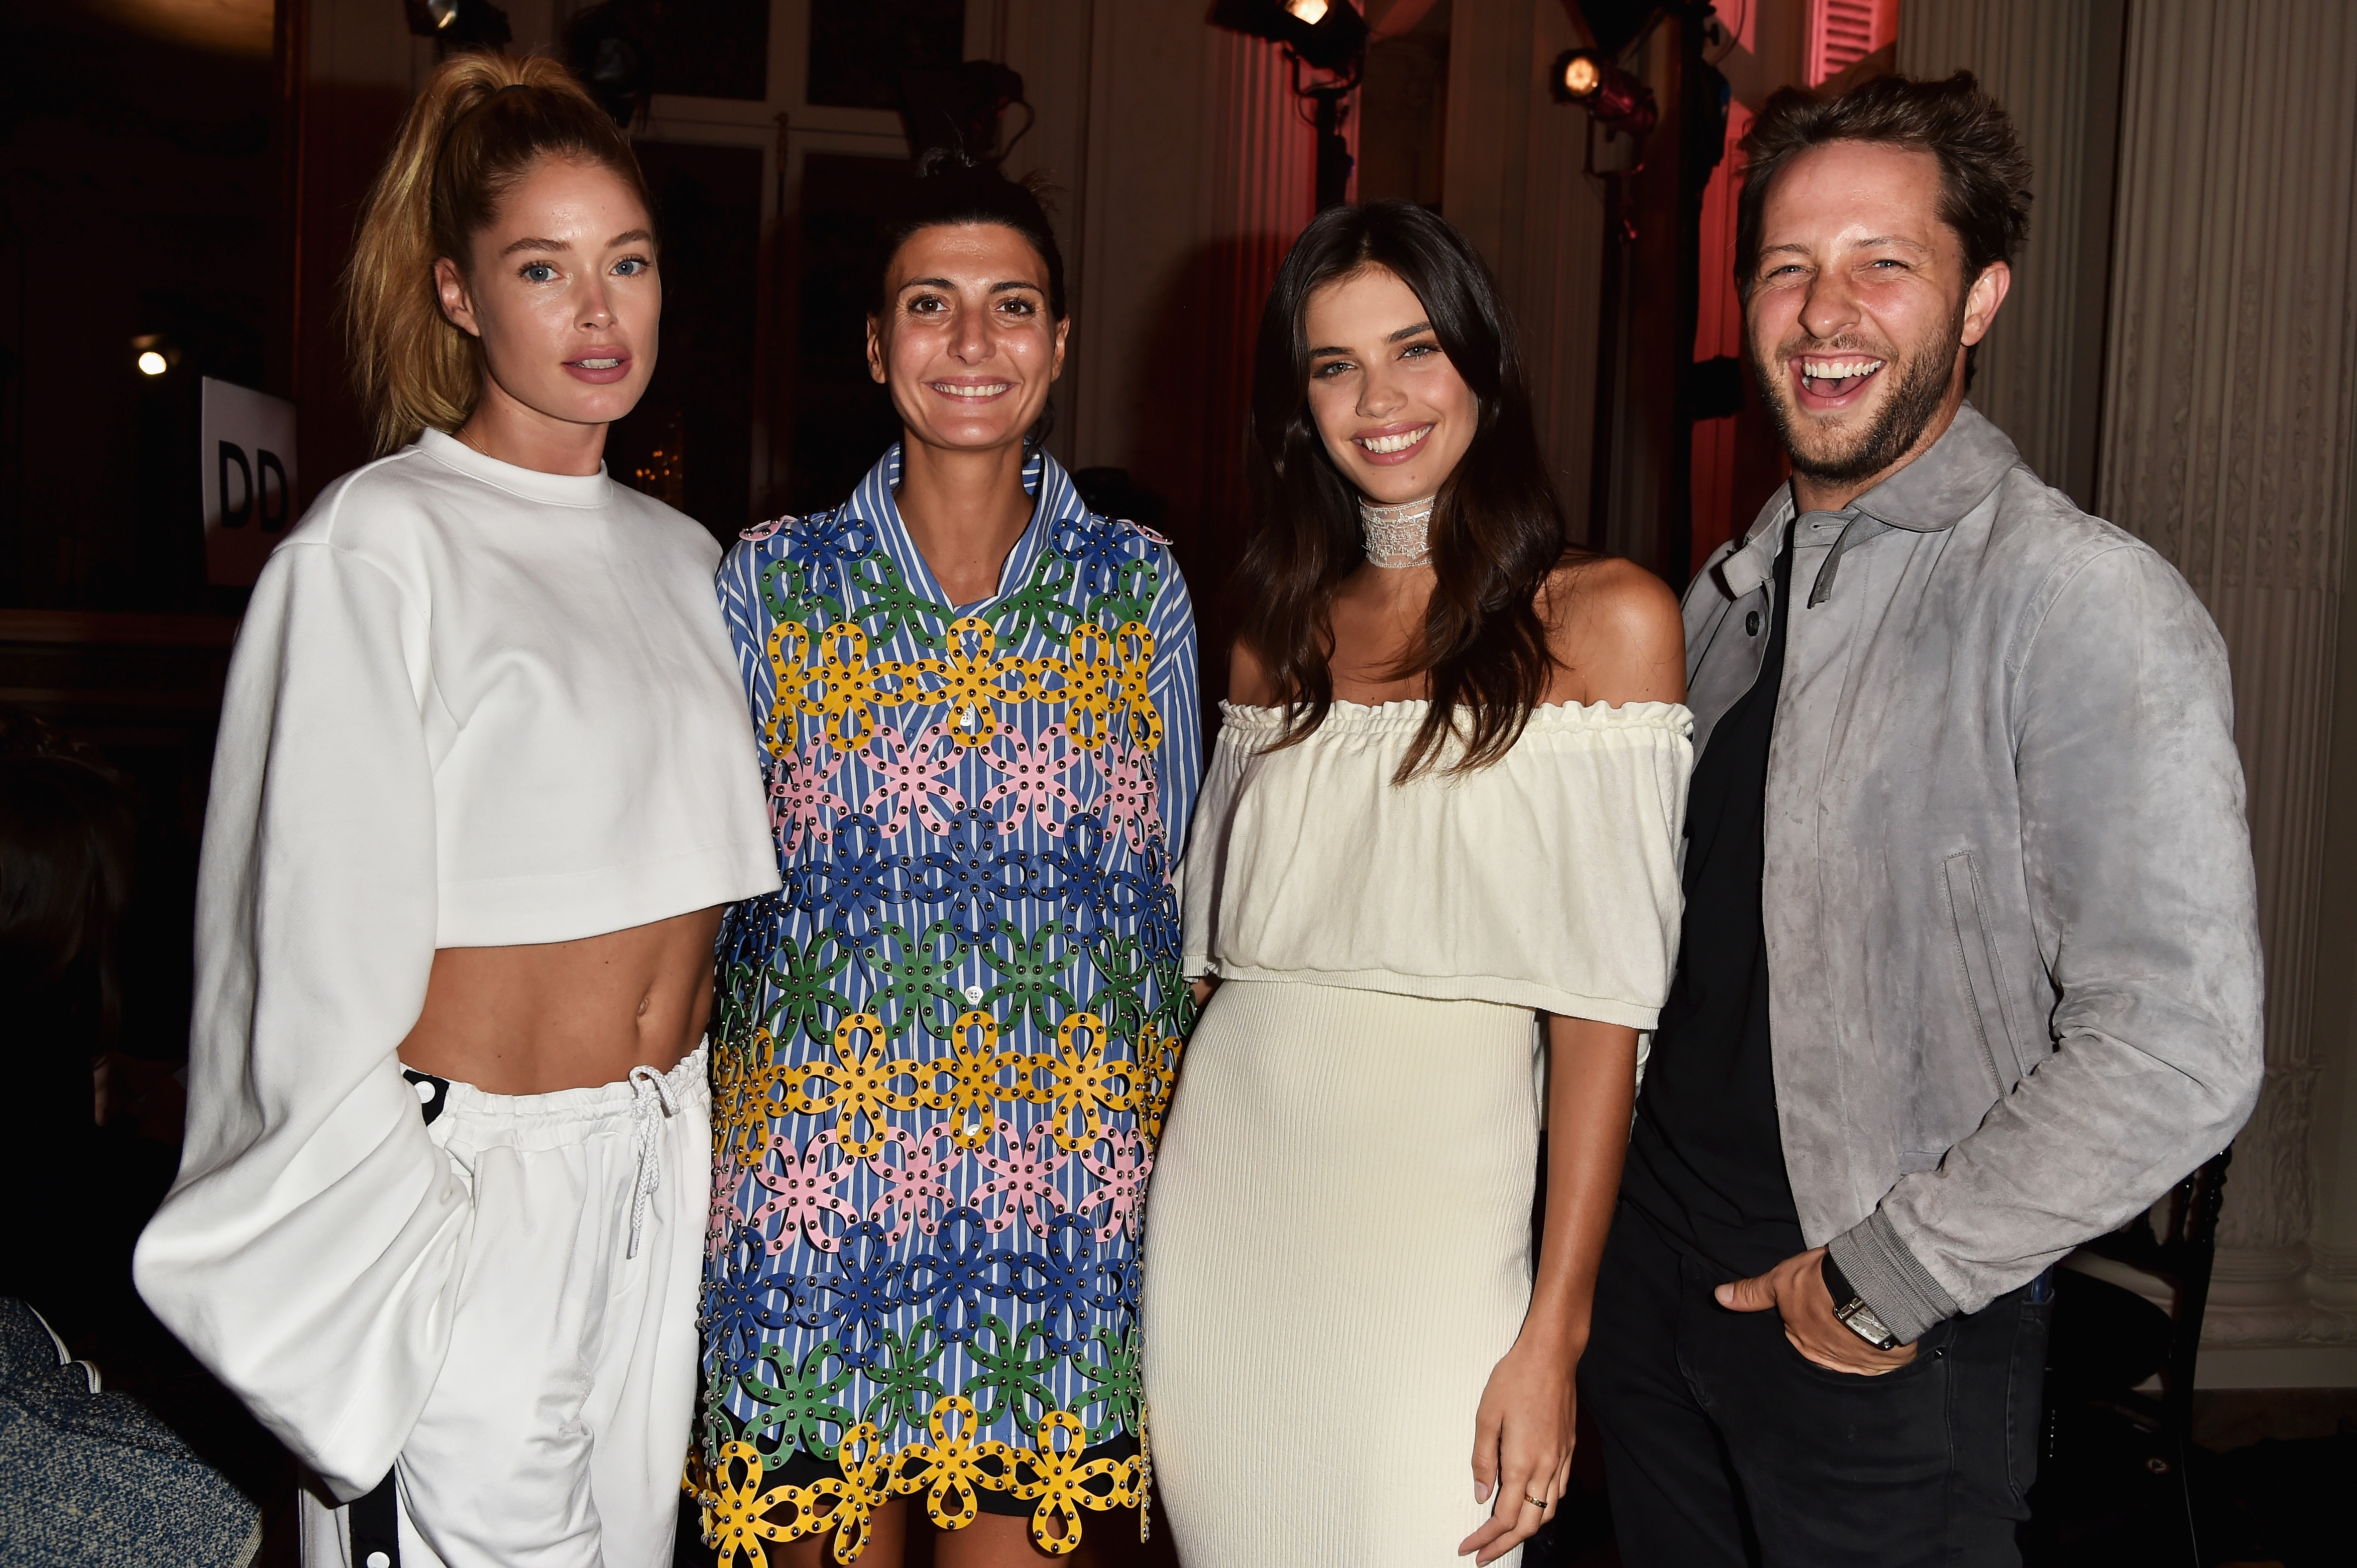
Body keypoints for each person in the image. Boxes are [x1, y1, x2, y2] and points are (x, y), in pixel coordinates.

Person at [1578, 72, 2265, 1566]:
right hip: (1652, 1305)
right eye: (1787, 266)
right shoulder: (1719, 599)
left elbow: (2180, 1044)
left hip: (1876, 1340)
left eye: (1883, 262)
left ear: (1979, 299)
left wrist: (1888, 1279)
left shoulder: (2077, 599)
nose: (1825, 311)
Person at [132, 53, 780, 1568]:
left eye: (628, 263)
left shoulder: (695, 560)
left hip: (660, 1169)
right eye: (543, 269)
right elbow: (296, 955)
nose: (599, 311)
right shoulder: (375, 547)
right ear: (459, 294)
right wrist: (401, 1250)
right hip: (470, 1197)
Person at [1142, 200, 1690, 1567]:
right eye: (1335, 365)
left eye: (1415, 349)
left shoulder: (1607, 621)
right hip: (1230, 1209)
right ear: (1301, 403)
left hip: (1444, 1229)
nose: (1378, 400)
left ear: (1482, 366)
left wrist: (1554, 1330)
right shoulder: (1274, 632)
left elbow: (1602, 1018)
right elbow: (1212, 974)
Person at [694, 153, 1201, 1566]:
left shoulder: (1138, 587)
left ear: (1059, 343)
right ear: (876, 345)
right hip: (815, 1199)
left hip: (1059, 1207)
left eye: (1012, 305)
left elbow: (1175, 897)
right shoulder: (769, 584)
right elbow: (707, 900)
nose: (973, 341)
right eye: (931, 303)